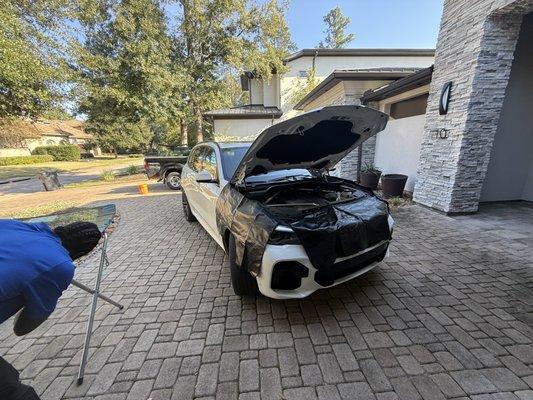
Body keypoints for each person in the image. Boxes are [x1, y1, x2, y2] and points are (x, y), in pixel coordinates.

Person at [0, 220, 101, 400]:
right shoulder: (59, 265)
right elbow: (21, 328)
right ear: (81, 253)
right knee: (14, 392)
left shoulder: (21, 226)